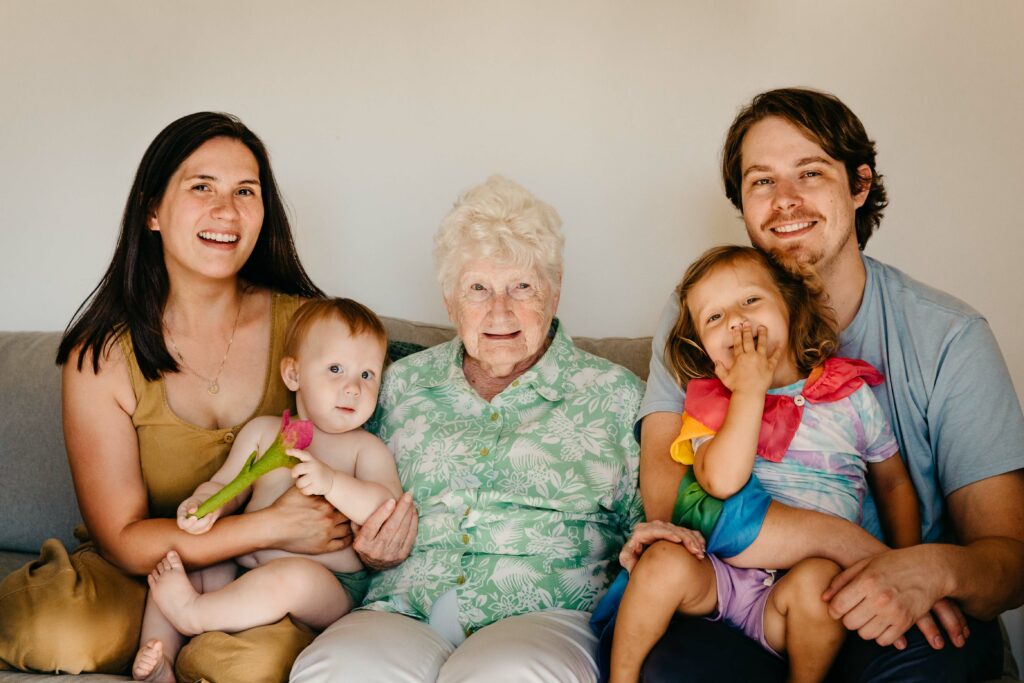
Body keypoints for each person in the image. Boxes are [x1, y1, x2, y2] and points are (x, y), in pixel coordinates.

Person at [617, 88, 1024, 681]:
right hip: (740, 599)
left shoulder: (949, 339)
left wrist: (926, 571)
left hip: (895, 615)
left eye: (810, 172)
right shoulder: (698, 328)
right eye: (761, 181)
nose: (785, 201)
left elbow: (1010, 560)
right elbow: (675, 501)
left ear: (859, 186)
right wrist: (848, 541)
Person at [0, 112, 351, 682]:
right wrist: (273, 526)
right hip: (135, 577)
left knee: (252, 665)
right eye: (201, 187)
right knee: (49, 625)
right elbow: (125, 539)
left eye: (245, 191)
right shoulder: (102, 354)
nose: (226, 210)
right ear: (153, 210)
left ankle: (191, 650)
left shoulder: (310, 327)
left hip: (257, 581)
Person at [289, 175, 645, 682]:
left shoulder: (615, 395)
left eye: (522, 286)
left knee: (506, 674)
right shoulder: (396, 386)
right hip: (404, 607)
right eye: (478, 288)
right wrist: (366, 549)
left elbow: (650, 531)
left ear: (555, 288)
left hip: (545, 617)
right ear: (449, 301)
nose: (500, 311)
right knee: (337, 668)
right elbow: (337, 492)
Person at [609, 245, 922, 683]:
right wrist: (749, 391)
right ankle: (620, 677)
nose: (736, 320)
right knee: (661, 561)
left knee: (819, 585)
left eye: (750, 300)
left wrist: (905, 566)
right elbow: (719, 482)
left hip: (802, 592)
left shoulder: (848, 395)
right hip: (718, 577)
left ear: (792, 307)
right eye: (714, 318)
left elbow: (893, 486)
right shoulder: (709, 402)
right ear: (703, 347)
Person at [132, 298, 403, 682]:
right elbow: (228, 484)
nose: (352, 388)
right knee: (179, 563)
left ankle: (191, 613)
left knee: (291, 578)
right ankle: (160, 661)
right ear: (293, 375)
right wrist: (206, 503)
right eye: (336, 369)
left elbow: (384, 506)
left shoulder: (364, 449)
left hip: (326, 587)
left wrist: (332, 483)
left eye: (367, 375)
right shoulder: (263, 432)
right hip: (245, 567)